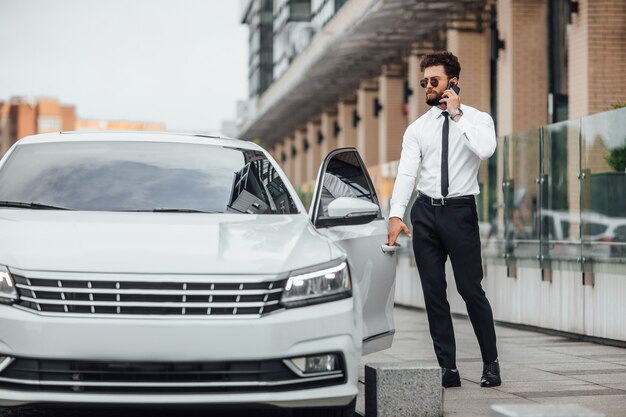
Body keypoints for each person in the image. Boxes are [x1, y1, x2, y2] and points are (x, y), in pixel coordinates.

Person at [387, 51, 501, 388]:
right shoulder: (417, 129)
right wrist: (396, 214)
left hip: (460, 212)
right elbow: (406, 173)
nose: (427, 87)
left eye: (433, 81)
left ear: (452, 82)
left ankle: (491, 364)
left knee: (470, 289)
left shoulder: (479, 120)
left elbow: (486, 150)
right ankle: (447, 369)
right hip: (425, 214)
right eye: (424, 81)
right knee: (434, 293)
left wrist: (457, 116)